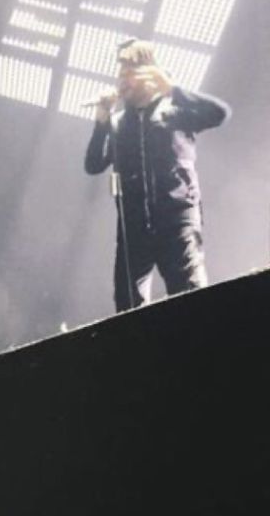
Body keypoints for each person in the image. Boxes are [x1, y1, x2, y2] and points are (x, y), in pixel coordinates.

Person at [84, 38, 231, 312]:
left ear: (149, 75)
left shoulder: (173, 110)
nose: (122, 83)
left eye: (129, 75)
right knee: (128, 311)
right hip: (133, 228)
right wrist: (102, 122)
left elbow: (220, 113)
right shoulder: (119, 123)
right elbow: (92, 164)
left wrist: (173, 89)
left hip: (176, 219)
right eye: (120, 76)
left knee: (191, 301)